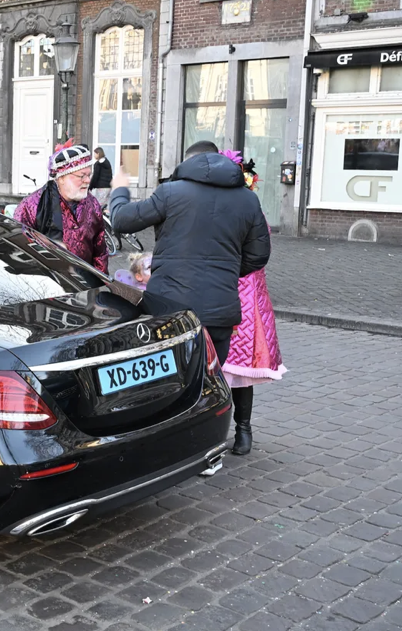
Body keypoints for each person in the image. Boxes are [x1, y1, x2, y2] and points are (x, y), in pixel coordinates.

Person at [108, 140, 270, 365]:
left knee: (172, 380)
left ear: (187, 162)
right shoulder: (248, 199)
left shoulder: (170, 192)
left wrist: (119, 189)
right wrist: (224, 270)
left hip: (170, 309)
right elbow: (258, 255)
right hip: (219, 313)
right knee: (210, 379)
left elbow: (121, 220)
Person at [218, 150, 287, 456]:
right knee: (211, 367)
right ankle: (210, 429)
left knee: (240, 369)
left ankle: (243, 428)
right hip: (214, 290)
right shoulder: (209, 205)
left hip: (246, 295)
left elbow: (260, 252)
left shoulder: (250, 207)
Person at [14, 141, 108, 273]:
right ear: (61, 178)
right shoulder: (31, 206)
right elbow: (19, 249)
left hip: (84, 281)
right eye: (82, 176)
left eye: (89, 175)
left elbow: (100, 250)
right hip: (47, 281)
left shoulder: (92, 204)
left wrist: (100, 280)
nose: (87, 180)